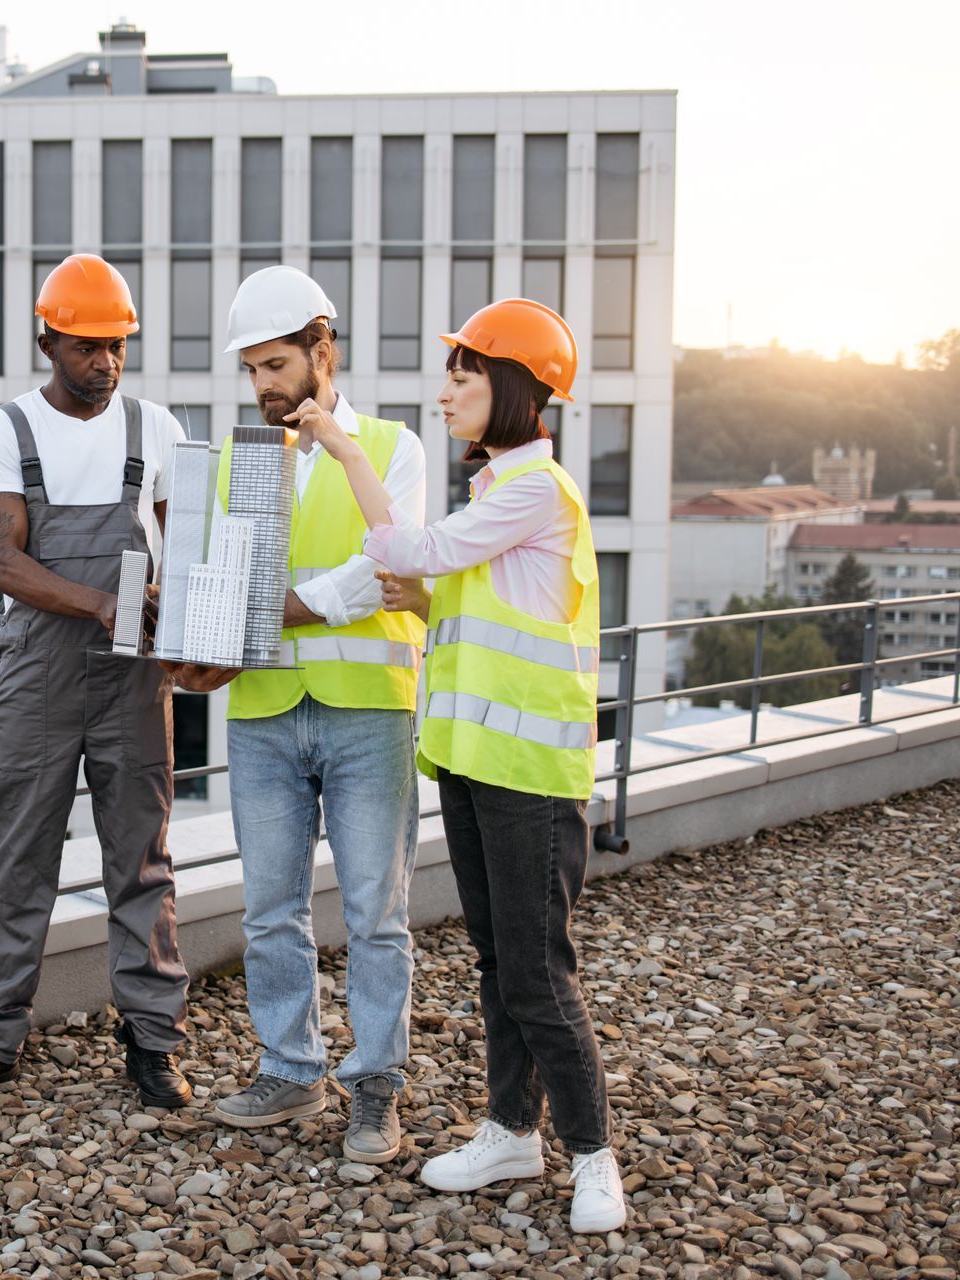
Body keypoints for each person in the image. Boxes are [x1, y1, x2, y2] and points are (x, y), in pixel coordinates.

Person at [310, 297, 627, 1233]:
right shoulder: (498, 496)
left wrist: (351, 453)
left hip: (530, 776)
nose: (447, 389)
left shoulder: (538, 490)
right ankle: (509, 1131)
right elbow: (468, 615)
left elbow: (411, 545)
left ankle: (595, 1156)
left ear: (519, 390)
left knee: (539, 973)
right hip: (477, 766)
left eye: (466, 373)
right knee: (499, 961)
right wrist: (426, 602)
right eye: (451, 372)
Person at [167, 266, 428, 1163]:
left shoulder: (395, 449)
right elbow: (223, 581)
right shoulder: (249, 461)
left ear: (325, 353)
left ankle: (375, 1088)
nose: (263, 385)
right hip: (265, 709)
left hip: (368, 712)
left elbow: (383, 572)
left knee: (375, 914)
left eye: (276, 364)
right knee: (269, 911)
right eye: (251, 371)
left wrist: (282, 608)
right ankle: (291, 1068)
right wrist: (203, 650)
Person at [0, 254, 194, 1111]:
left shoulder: (156, 428)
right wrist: (102, 602)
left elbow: (174, 539)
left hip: (133, 679)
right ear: (49, 342)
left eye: (116, 345)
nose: (105, 362)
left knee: (142, 862)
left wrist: (181, 614)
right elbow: (3, 560)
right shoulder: (6, 429)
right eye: (86, 346)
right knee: (18, 862)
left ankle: (154, 1043)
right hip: (37, 672)